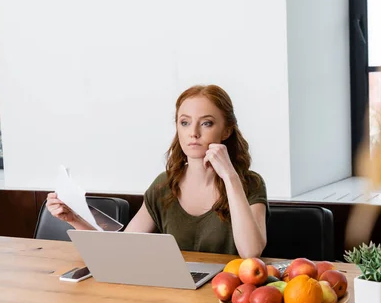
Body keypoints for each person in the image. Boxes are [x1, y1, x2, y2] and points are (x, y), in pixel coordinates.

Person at [46, 84, 269, 258]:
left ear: (227, 130)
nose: (193, 133)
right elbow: (120, 250)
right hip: (176, 295)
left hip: (228, 297)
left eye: (206, 123)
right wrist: (74, 218)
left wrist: (230, 177)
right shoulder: (164, 185)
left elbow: (251, 252)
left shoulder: (249, 183)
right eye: (184, 122)